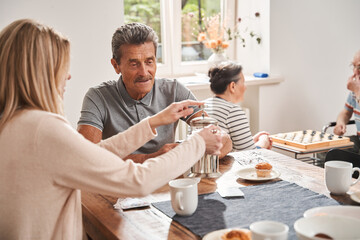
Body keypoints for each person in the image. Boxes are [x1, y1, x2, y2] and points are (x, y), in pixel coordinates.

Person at [0, 19, 222, 240]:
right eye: (61, 67)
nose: (68, 76)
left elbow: (93, 154)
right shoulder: (45, 129)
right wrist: (198, 143)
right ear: (41, 73)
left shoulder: (13, 123)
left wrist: (152, 123)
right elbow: (138, 181)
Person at [77, 22, 232, 162]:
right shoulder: (97, 98)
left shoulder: (174, 90)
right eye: (134, 64)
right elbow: (87, 158)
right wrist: (150, 159)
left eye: (149, 62)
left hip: (165, 184)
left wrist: (200, 150)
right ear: (116, 65)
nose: (144, 72)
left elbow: (223, 139)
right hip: (117, 187)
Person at [204, 61, 272, 151]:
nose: (245, 87)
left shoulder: (203, 106)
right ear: (232, 86)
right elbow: (250, 154)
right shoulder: (233, 111)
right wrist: (264, 142)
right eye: (243, 83)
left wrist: (251, 140)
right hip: (225, 165)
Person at [333, 50, 360, 153]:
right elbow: (345, 113)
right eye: (354, 66)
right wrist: (340, 123)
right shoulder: (356, 87)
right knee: (324, 150)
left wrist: (357, 91)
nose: (355, 72)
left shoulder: (356, 88)